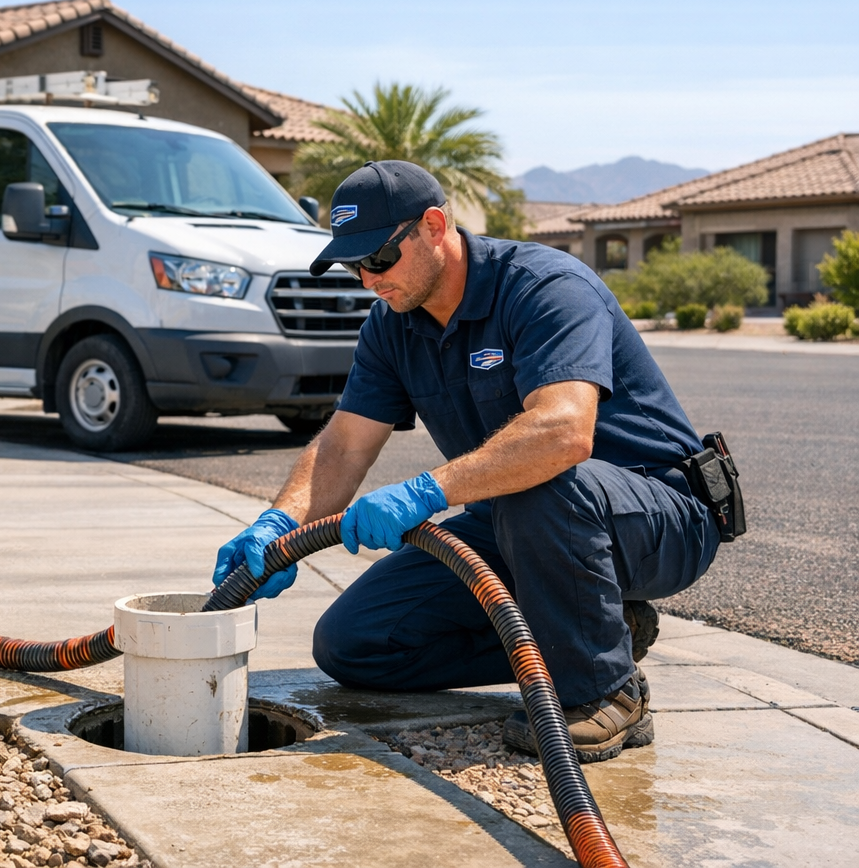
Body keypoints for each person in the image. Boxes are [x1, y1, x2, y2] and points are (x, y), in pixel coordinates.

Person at [213, 160, 724, 763]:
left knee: (541, 482)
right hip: (520, 521)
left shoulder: (544, 287)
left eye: (377, 259)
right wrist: (280, 525)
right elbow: (344, 443)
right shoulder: (392, 324)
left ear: (433, 226)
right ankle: (604, 629)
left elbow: (564, 433)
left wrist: (425, 491)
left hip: (655, 516)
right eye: (353, 265)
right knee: (356, 644)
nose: (368, 279)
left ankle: (601, 691)